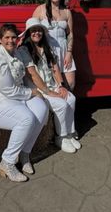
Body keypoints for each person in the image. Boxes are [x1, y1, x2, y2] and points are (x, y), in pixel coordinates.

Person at [0, 24, 48, 182]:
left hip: (15, 97)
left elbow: (25, 76)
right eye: (7, 37)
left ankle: (25, 153)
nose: (11, 40)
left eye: (13, 37)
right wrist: (32, 91)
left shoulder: (16, 52)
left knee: (41, 109)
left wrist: (36, 91)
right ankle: (8, 162)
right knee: (26, 119)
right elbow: (9, 91)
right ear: (0, 40)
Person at [18, 18, 81, 155]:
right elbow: (32, 75)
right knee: (61, 105)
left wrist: (61, 85)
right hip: (38, 89)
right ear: (28, 33)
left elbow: (55, 67)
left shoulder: (47, 46)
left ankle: (70, 133)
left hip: (52, 85)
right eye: (33, 30)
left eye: (39, 30)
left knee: (71, 99)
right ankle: (61, 137)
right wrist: (49, 92)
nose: (37, 33)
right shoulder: (24, 50)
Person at [33, 0, 76, 91]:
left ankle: (68, 104)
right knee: (52, 83)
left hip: (63, 49)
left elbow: (70, 33)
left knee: (70, 83)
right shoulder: (40, 10)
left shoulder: (66, 12)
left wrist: (69, 52)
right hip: (47, 49)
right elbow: (32, 29)